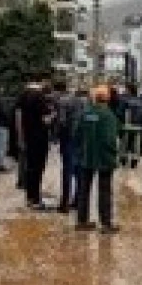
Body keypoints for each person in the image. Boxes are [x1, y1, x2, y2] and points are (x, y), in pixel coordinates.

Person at [74, 86, 120, 234]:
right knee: (105, 191)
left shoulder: (85, 113)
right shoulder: (108, 115)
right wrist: (115, 154)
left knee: (83, 190)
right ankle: (106, 224)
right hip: (104, 158)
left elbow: (76, 134)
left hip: (86, 157)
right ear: (107, 99)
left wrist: (80, 151)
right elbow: (110, 139)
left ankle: (82, 221)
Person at [17, 78, 56, 210]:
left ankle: (29, 197)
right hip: (40, 137)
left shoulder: (23, 96)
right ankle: (35, 199)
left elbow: (18, 116)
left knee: (30, 168)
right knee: (38, 168)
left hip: (28, 136)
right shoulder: (39, 98)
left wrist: (20, 136)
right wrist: (53, 116)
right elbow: (45, 120)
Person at [53, 80, 84, 213]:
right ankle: (78, 200)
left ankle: (64, 203)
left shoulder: (63, 101)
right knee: (79, 170)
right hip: (81, 140)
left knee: (67, 170)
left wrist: (56, 136)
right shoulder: (84, 102)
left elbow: (61, 121)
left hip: (68, 139)